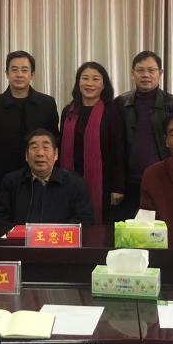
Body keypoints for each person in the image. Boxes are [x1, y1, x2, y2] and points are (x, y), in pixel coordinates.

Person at [0, 51, 59, 212]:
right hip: (1, 184)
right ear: (7, 73)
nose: (19, 74)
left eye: (24, 70)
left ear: (32, 74)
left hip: (40, 182)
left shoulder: (47, 104)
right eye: (14, 70)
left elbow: (54, 144)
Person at [115, 50, 173, 220]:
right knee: (129, 229)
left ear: (160, 73)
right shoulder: (120, 103)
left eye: (151, 70)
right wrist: (117, 185)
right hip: (130, 182)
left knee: (164, 227)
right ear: (132, 73)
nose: (146, 75)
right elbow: (115, 146)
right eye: (140, 70)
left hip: (164, 179)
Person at [59, 62, 125, 224]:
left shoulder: (112, 111)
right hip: (70, 179)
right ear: (78, 82)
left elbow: (119, 151)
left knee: (99, 227)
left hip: (104, 183)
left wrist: (118, 187)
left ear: (104, 84)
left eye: (95, 79)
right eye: (85, 78)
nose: (90, 83)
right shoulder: (68, 111)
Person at [0, 129, 95, 229]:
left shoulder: (75, 184)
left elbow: (85, 220)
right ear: (26, 155)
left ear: (56, 154)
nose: (40, 153)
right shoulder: (11, 181)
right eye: (34, 148)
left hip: (58, 240)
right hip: (21, 240)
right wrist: (24, 233)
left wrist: (53, 233)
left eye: (46, 147)